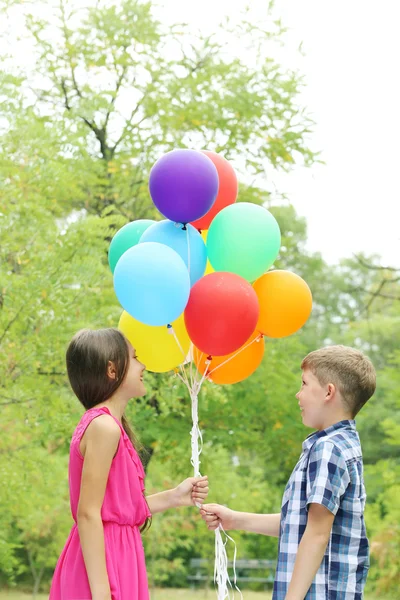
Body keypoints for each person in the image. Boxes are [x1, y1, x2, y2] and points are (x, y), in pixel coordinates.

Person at [201, 345, 376, 600]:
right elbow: (302, 525)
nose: (298, 394)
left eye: (304, 384)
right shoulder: (339, 445)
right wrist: (234, 519)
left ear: (329, 392)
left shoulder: (328, 449)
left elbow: (317, 534)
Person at [49, 328, 209, 600]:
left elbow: (119, 510)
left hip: (117, 555)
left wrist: (174, 497)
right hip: (102, 563)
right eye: (135, 358)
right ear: (112, 370)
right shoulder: (104, 427)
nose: (143, 365)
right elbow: (88, 513)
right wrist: (100, 592)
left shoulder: (110, 427)